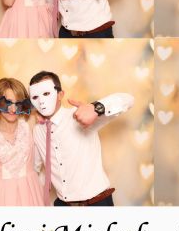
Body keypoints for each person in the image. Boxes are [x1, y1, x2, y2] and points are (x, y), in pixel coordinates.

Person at [29, 71, 134, 205]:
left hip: (96, 203)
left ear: (60, 94)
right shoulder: (38, 130)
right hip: (63, 205)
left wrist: (96, 108)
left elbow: (128, 99)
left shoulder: (79, 115)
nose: (41, 101)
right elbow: (35, 167)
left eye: (46, 93)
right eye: (35, 97)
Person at [0, 77, 44, 206]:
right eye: (7, 103)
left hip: (30, 194)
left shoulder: (30, 125)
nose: (13, 109)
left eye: (18, 103)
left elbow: (45, 104)